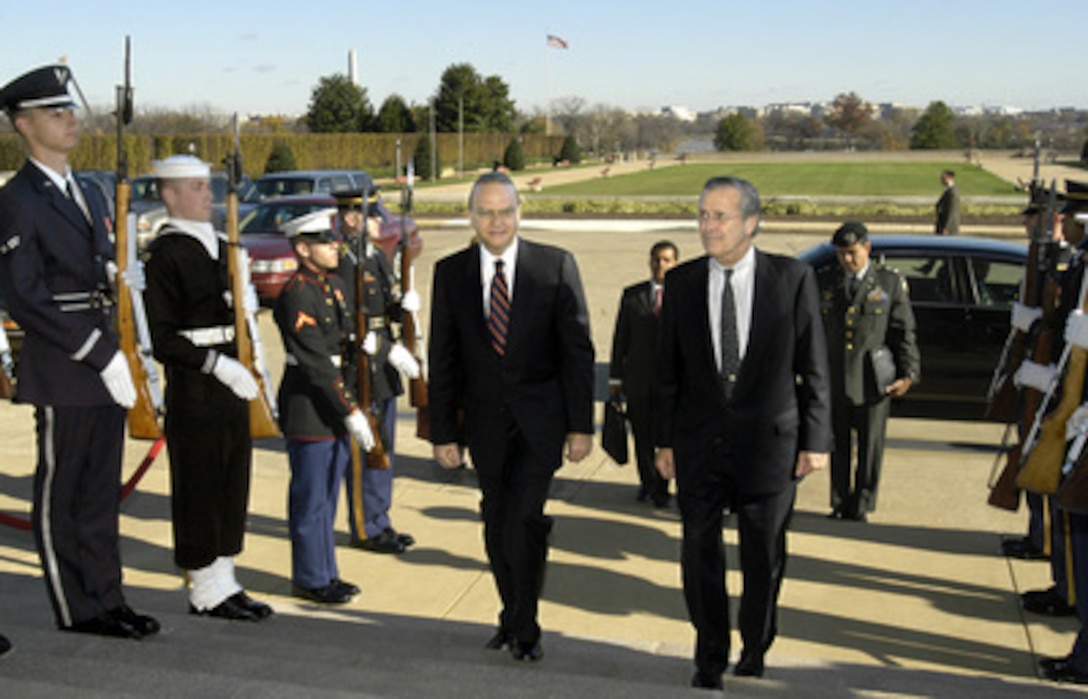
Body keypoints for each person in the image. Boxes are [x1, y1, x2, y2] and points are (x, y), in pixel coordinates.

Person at [0, 65, 159, 640]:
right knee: (61, 495)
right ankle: (78, 609)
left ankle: (107, 597)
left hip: (105, 362)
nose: (70, 121)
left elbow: (99, 269)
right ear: (23, 125)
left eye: (69, 110)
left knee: (98, 493)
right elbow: (25, 296)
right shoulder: (18, 200)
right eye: (54, 113)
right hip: (65, 366)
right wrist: (98, 352)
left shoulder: (88, 190)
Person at [654, 176, 831, 689]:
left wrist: (816, 440)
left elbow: (814, 364)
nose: (707, 226)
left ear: (751, 222)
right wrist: (663, 441)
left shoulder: (791, 278)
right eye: (703, 215)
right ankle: (709, 652)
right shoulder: (683, 282)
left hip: (770, 446)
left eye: (720, 216)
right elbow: (667, 372)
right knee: (699, 553)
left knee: (764, 555)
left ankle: (755, 644)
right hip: (698, 445)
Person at [428, 171, 595, 662]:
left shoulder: (555, 266)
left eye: (505, 211)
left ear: (520, 213)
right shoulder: (451, 272)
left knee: (523, 517)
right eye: (486, 211)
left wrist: (581, 426)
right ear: (471, 216)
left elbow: (578, 354)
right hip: (483, 425)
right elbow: (444, 358)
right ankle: (512, 610)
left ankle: (525, 622)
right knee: (496, 521)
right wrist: (444, 432)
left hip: (541, 423)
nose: (496, 221)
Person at [143, 155, 273, 622]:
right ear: (170, 194)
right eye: (196, 187)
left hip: (232, 380)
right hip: (197, 385)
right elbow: (161, 337)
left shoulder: (223, 245)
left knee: (231, 479)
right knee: (199, 485)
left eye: (207, 186)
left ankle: (225, 577)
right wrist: (215, 364)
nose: (207, 196)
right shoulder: (165, 255)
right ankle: (203, 586)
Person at [273, 209, 370, 604]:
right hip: (310, 405)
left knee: (329, 493)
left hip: (333, 400)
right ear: (301, 248)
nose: (336, 247)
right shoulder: (297, 292)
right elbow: (315, 363)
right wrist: (350, 410)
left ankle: (326, 570)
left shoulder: (332, 286)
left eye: (335, 241)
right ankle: (311, 578)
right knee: (311, 498)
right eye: (325, 242)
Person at [333, 188, 420, 554]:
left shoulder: (377, 257)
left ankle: (380, 519)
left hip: (382, 363)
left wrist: (404, 306)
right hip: (360, 366)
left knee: (384, 446)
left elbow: (385, 307)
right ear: (351, 218)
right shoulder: (342, 261)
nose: (376, 223)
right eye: (370, 216)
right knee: (363, 450)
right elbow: (345, 319)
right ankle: (364, 527)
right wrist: (387, 348)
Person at [821, 222, 920, 522]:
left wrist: (909, 372)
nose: (847, 260)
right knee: (837, 444)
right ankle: (839, 500)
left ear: (867, 248)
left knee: (870, 445)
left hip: (873, 378)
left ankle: (862, 503)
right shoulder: (826, 282)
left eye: (852, 253)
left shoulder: (888, 283)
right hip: (836, 375)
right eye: (841, 254)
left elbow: (904, 332)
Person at [609, 240, 679, 507]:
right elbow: (620, 340)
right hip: (639, 382)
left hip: (672, 384)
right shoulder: (632, 295)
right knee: (642, 437)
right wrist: (616, 380)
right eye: (656, 259)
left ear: (675, 263)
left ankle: (662, 486)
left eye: (666, 260)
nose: (660, 265)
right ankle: (647, 483)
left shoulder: (683, 296)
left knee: (667, 438)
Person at [935, 169, 960, 236]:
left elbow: (952, 211)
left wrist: (947, 227)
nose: (941, 180)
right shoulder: (949, 191)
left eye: (943, 178)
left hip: (948, 228)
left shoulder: (952, 193)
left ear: (949, 178)